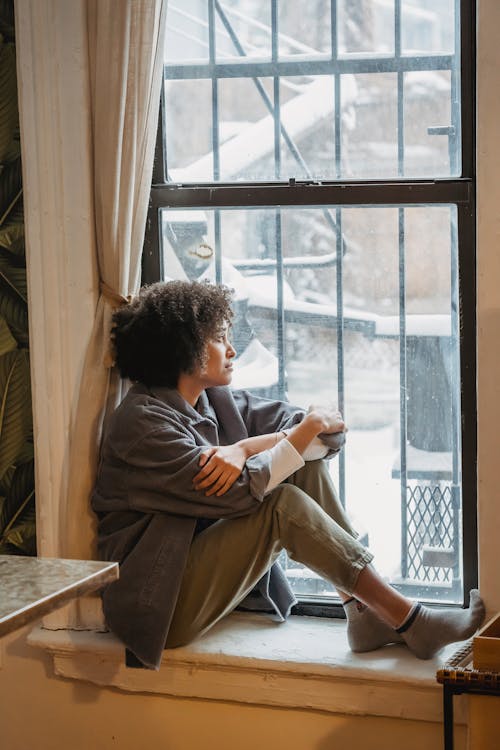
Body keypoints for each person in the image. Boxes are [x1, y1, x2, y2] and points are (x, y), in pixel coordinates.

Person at [91, 280, 485, 670]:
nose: (231, 350)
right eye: (218, 338)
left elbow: (323, 433)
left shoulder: (216, 401)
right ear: (181, 348)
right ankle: (409, 619)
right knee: (280, 504)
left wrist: (256, 443)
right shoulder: (142, 426)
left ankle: (363, 613)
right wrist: (299, 432)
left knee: (300, 465)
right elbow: (241, 492)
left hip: (199, 580)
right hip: (160, 603)